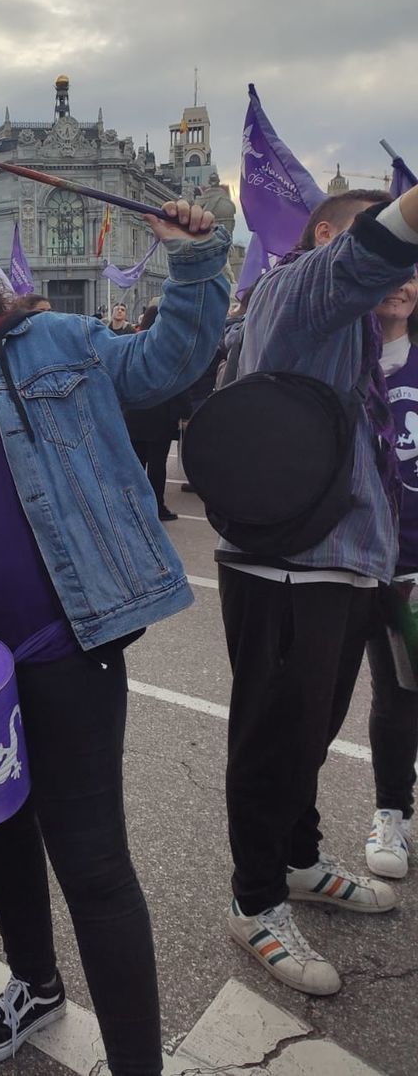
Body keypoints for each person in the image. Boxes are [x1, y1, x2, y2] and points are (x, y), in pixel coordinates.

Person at [0, 206, 228, 1072]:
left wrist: (194, 260)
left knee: (94, 863)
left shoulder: (50, 340)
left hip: (64, 645)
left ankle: (137, 1061)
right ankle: (34, 983)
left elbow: (165, 367)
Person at [218, 187, 418, 997]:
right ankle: (254, 900)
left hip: (344, 561)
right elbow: (372, 252)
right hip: (287, 566)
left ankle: (298, 862)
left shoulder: (357, 335)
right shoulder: (301, 290)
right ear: (329, 235)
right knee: (271, 742)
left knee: (310, 733)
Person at [363, 274, 418, 878]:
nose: (402, 285)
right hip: (344, 562)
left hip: (409, 568)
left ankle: (391, 814)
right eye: (392, 271)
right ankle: (297, 846)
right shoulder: (334, 359)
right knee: (312, 704)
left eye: (414, 274)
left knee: (401, 697)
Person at [124, 306, 191, 522]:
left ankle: (133, 506)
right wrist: (184, 413)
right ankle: (156, 507)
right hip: (160, 414)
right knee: (156, 464)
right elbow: (179, 383)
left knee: (135, 464)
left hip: (134, 414)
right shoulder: (168, 349)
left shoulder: (131, 345)